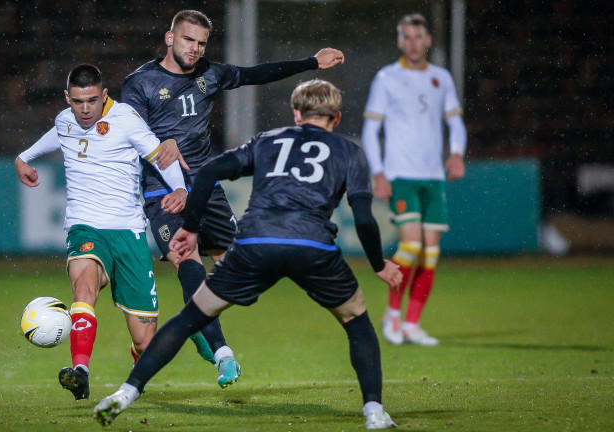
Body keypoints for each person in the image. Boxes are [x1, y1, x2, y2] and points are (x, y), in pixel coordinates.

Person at [94, 79, 402, 430]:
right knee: (357, 322)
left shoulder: (269, 140)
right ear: (338, 116)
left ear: (296, 113)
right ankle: (374, 414)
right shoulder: (350, 151)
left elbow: (209, 171)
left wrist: (191, 227)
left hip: (255, 244)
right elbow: (363, 217)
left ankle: (125, 393)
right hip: (313, 246)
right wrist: (378, 264)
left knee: (190, 318)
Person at [122, 9, 346, 387]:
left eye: (201, 43)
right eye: (188, 40)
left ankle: (195, 325)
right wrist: (162, 148)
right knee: (184, 258)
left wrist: (312, 62)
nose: (194, 49)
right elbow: (132, 138)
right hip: (163, 191)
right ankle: (223, 353)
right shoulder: (139, 84)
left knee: (238, 273)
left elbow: (256, 74)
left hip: (205, 187)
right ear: (169, 38)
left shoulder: (210, 74)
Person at [14, 64, 188, 401]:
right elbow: (56, 135)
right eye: (78, 102)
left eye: (92, 101)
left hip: (128, 232)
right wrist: (24, 157)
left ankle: (140, 374)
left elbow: (162, 158)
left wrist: (179, 190)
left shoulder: (126, 120)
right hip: (84, 225)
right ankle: (80, 371)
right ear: (68, 98)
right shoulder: (66, 120)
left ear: (104, 95)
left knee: (144, 341)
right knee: (83, 288)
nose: (85, 109)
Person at [361, 14, 467, 346]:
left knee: (430, 253)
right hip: (401, 174)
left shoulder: (441, 78)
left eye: (418, 36)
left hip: (433, 176)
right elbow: (370, 129)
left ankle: (412, 323)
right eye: (406, 37)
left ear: (428, 40)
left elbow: (456, 123)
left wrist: (457, 152)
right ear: (399, 41)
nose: (412, 43)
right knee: (411, 245)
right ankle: (392, 315)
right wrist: (378, 173)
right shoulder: (387, 78)